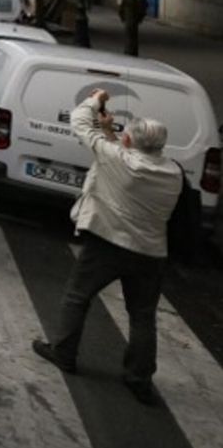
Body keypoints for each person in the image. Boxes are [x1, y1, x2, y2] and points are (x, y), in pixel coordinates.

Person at [32, 89, 182, 406]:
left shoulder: (119, 160)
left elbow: (79, 123)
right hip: (150, 252)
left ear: (129, 142)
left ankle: (64, 352)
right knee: (142, 316)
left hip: (108, 243)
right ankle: (139, 379)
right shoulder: (172, 173)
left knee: (78, 296)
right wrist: (111, 131)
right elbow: (126, 157)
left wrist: (94, 100)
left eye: (125, 135)